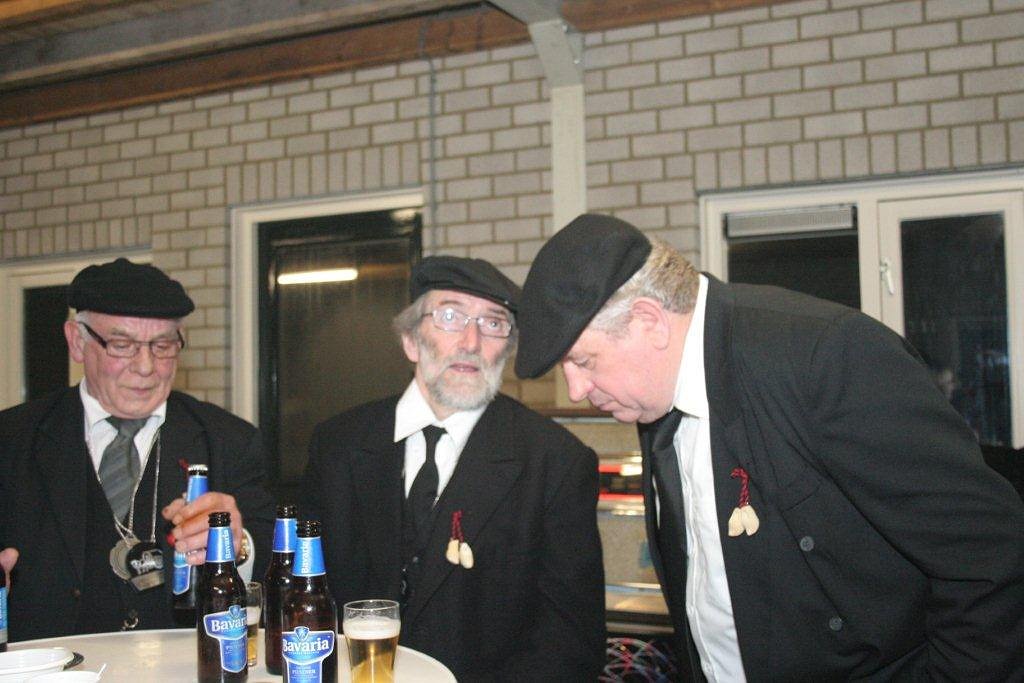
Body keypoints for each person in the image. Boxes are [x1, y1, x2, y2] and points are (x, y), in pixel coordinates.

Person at [514, 214, 1024, 682]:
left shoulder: (824, 357)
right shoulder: (656, 396)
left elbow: (987, 556)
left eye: (584, 361)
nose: (576, 390)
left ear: (649, 321)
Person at [303, 256, 606, 681]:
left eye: (494, 323)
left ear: (508, 349)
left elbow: (570, 645)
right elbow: (303, 594)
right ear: (411, 340)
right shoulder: (337, 445)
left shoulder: (555, 462)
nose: (471, 341)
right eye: (450, 316)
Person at [0, 258, 275, 641]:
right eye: (122, 345)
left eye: (163, 345)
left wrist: (239, 545)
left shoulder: (229, 439)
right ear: (77, 341)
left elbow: (275, 567)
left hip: (183, 665)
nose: (146, 367)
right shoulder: (11, 439)